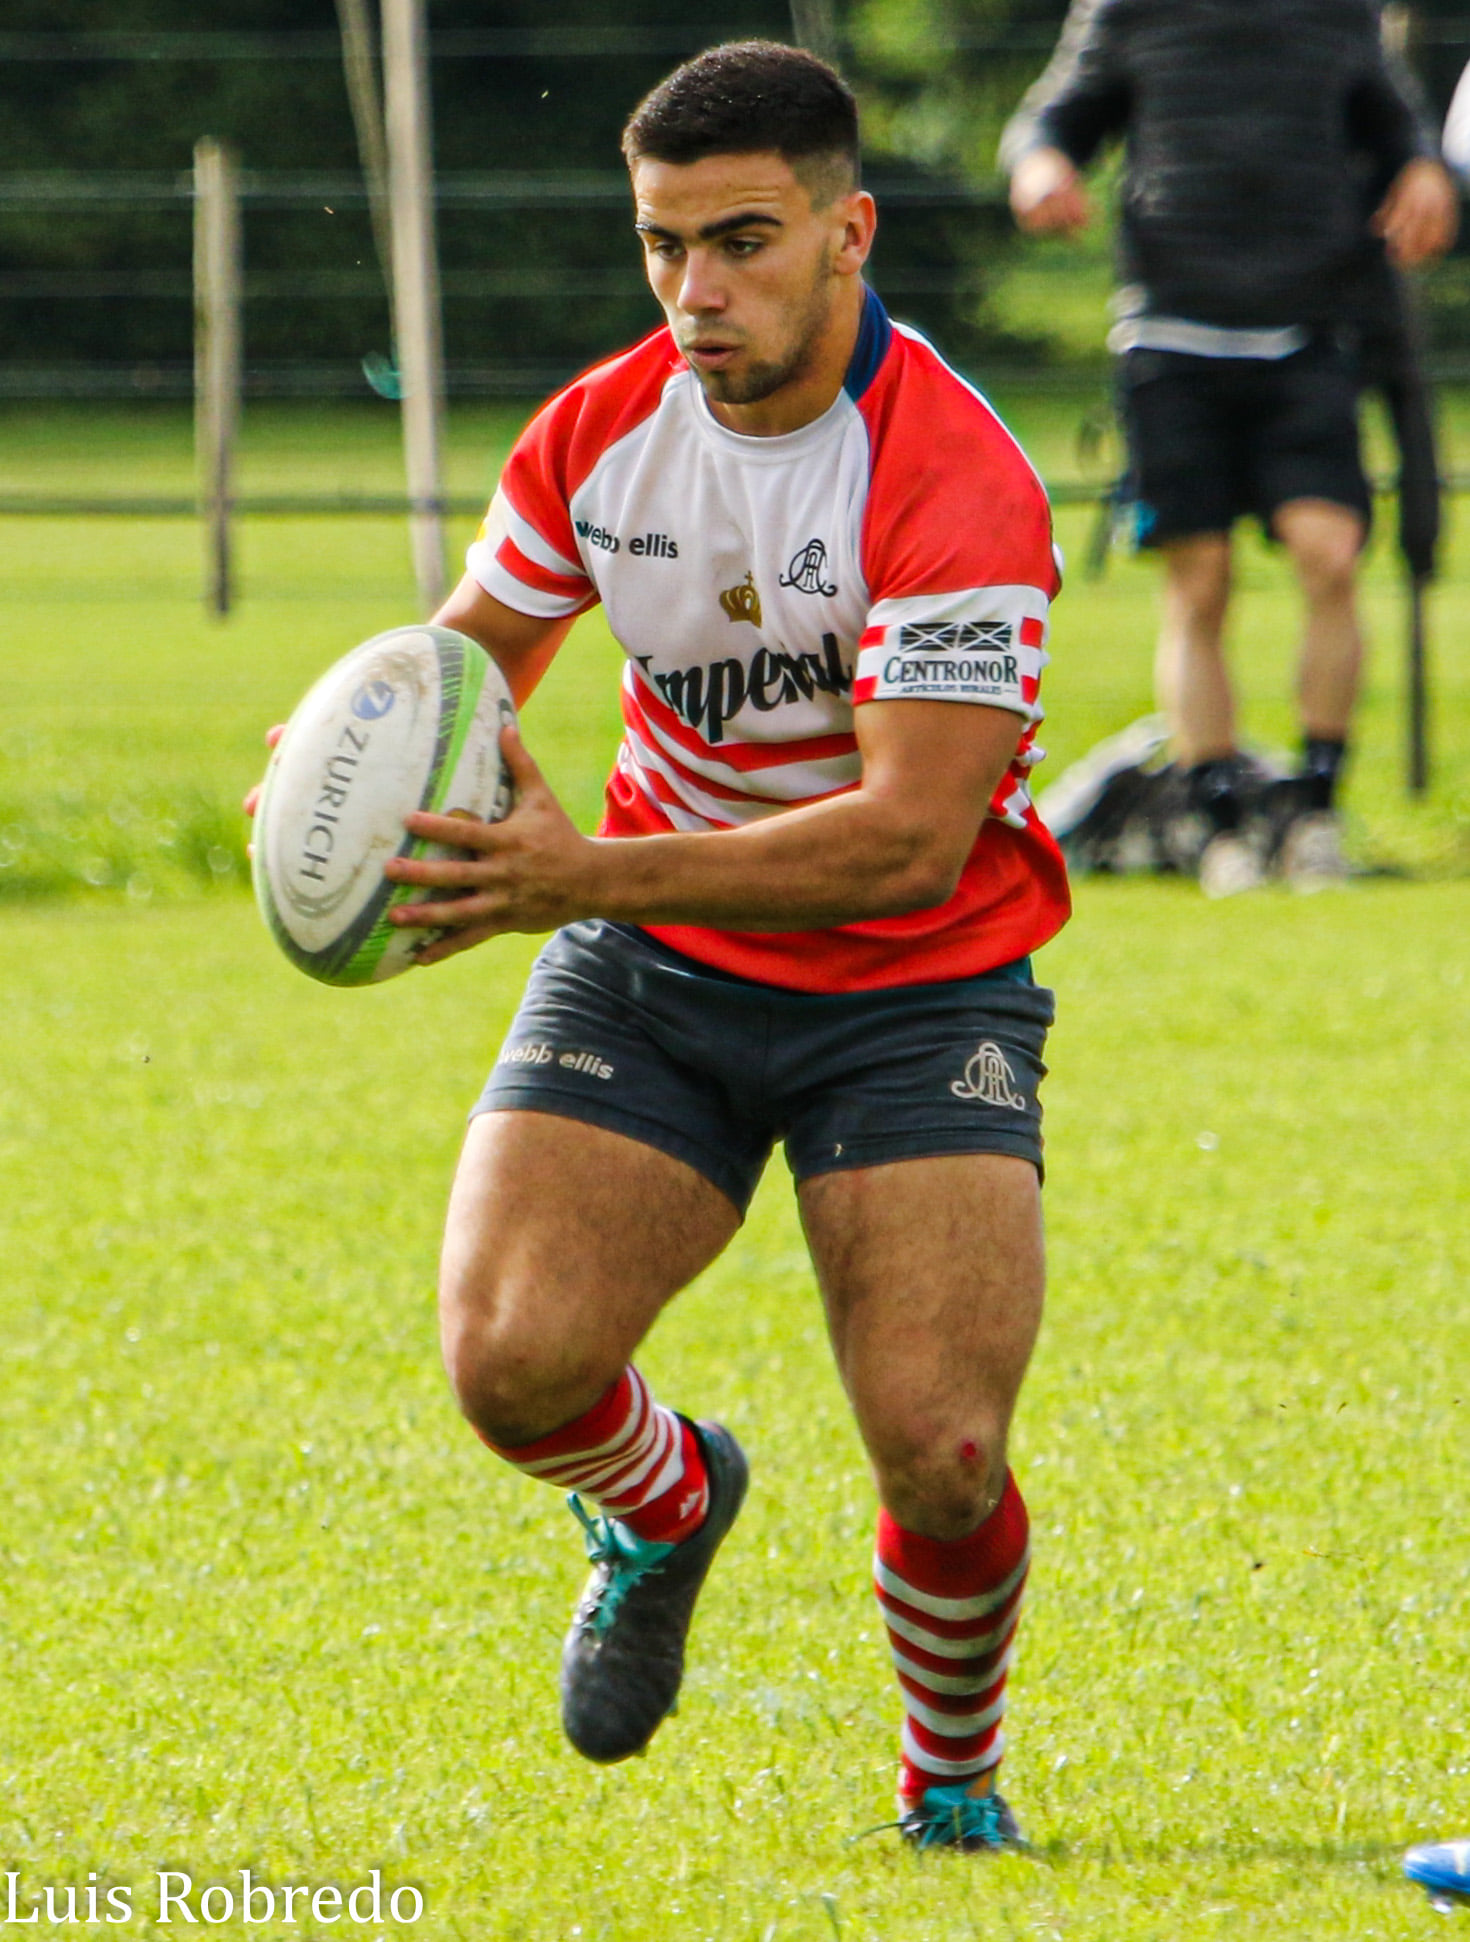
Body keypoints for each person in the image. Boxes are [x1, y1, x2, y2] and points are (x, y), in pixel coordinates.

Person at [372, 41, 1066, 1852]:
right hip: (657, 962)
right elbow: (464, 671)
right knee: (512, 1362)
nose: (696, 291)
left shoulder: (959, 479)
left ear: (851, 231)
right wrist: (352, 756)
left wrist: (577, 875)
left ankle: (951, 1777)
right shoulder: (599, 434)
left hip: (917, 983)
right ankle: (667, 1506)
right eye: (664, 245)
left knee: (946, 1447)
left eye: (743, 241)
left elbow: (912, 840)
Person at [1000, 0, 1458, 895]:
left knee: (1331, 557)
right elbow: (1052, 117)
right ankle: (1216, 826)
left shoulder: (1341, 15)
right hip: (1172, 341)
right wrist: (1040, 167)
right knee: (1197, 581)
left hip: (1309, 333)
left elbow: (1399, 129)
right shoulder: (1127, 10)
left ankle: (1314, 812)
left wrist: (1424, 174)